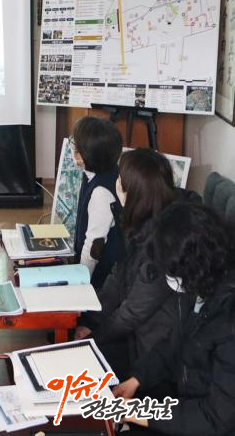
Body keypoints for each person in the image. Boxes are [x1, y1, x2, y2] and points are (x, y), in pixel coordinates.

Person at [75, 149, 199, 379]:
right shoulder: (141, 219)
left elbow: (134, 312)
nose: (116, 183)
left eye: (120, 180)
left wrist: (94, 338)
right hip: (133, 333)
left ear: (133, 193)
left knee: (72, 365)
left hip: (151, 352)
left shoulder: (167, 242)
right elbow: (117, 276)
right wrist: (91, 320)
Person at [113, 202, 235, 435]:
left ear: (193, 265)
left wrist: (140, 412)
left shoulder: (228, 317)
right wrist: (136, 379)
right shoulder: (199, 285)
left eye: (172, 273)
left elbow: (216, 417)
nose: (169, 280)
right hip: (187, 402)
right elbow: (175, 345)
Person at [70, 116, 123, 289]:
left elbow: (94, 247)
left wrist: (79, 285)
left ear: (88, 153)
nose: (72, 147)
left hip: (100, 280)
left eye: (76, 145)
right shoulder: (95, 172)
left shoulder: (101, 192)